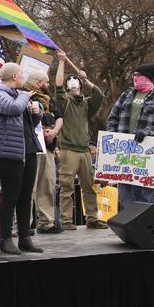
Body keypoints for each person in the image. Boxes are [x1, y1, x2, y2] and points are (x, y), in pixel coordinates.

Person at [0, 63, 44, 255]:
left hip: (28, 148)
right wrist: (25, 96)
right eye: (22, 74)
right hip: (9, 151)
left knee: (26, 196)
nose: (24, 77)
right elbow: (13, 109)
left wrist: (37, 112)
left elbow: (27, 122)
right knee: (10, 196)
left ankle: (25, 238)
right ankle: (6, 239)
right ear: (15, 76)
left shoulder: (18, 94)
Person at [105, 63, 154, 207]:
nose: (135, 77)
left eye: (138, 75)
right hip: (124, 150)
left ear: (147, 77)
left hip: (146, 154)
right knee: (125, 191)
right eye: (134, 75)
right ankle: (128, 219)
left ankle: (146, 219)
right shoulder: (127, 94)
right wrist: (112, 134)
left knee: (145, 193)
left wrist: (147, 132)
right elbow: (113, 117)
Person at [54, 51, 108, 229]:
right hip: (68, 150)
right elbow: (58, 87)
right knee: (67, 187)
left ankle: (92, 218)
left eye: (75, 80)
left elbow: (99, 95)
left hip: (84, 150)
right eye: (70, 81)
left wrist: (86, 80)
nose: (73, 82)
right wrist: (62, 62)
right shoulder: (65, 101)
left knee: (89, 186)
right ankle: (66, 220)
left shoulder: (86, 104)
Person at [25, 70, 64, 233]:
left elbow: (59, 117)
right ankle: (24, 224)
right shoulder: (24, 94)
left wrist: (54, 132)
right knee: (29, 186)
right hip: (32, 147)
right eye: (47, 82)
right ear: (39, 82)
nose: (49, 85)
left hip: (48, 146)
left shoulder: (48, 98)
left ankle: (46, 222)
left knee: (47, 183)